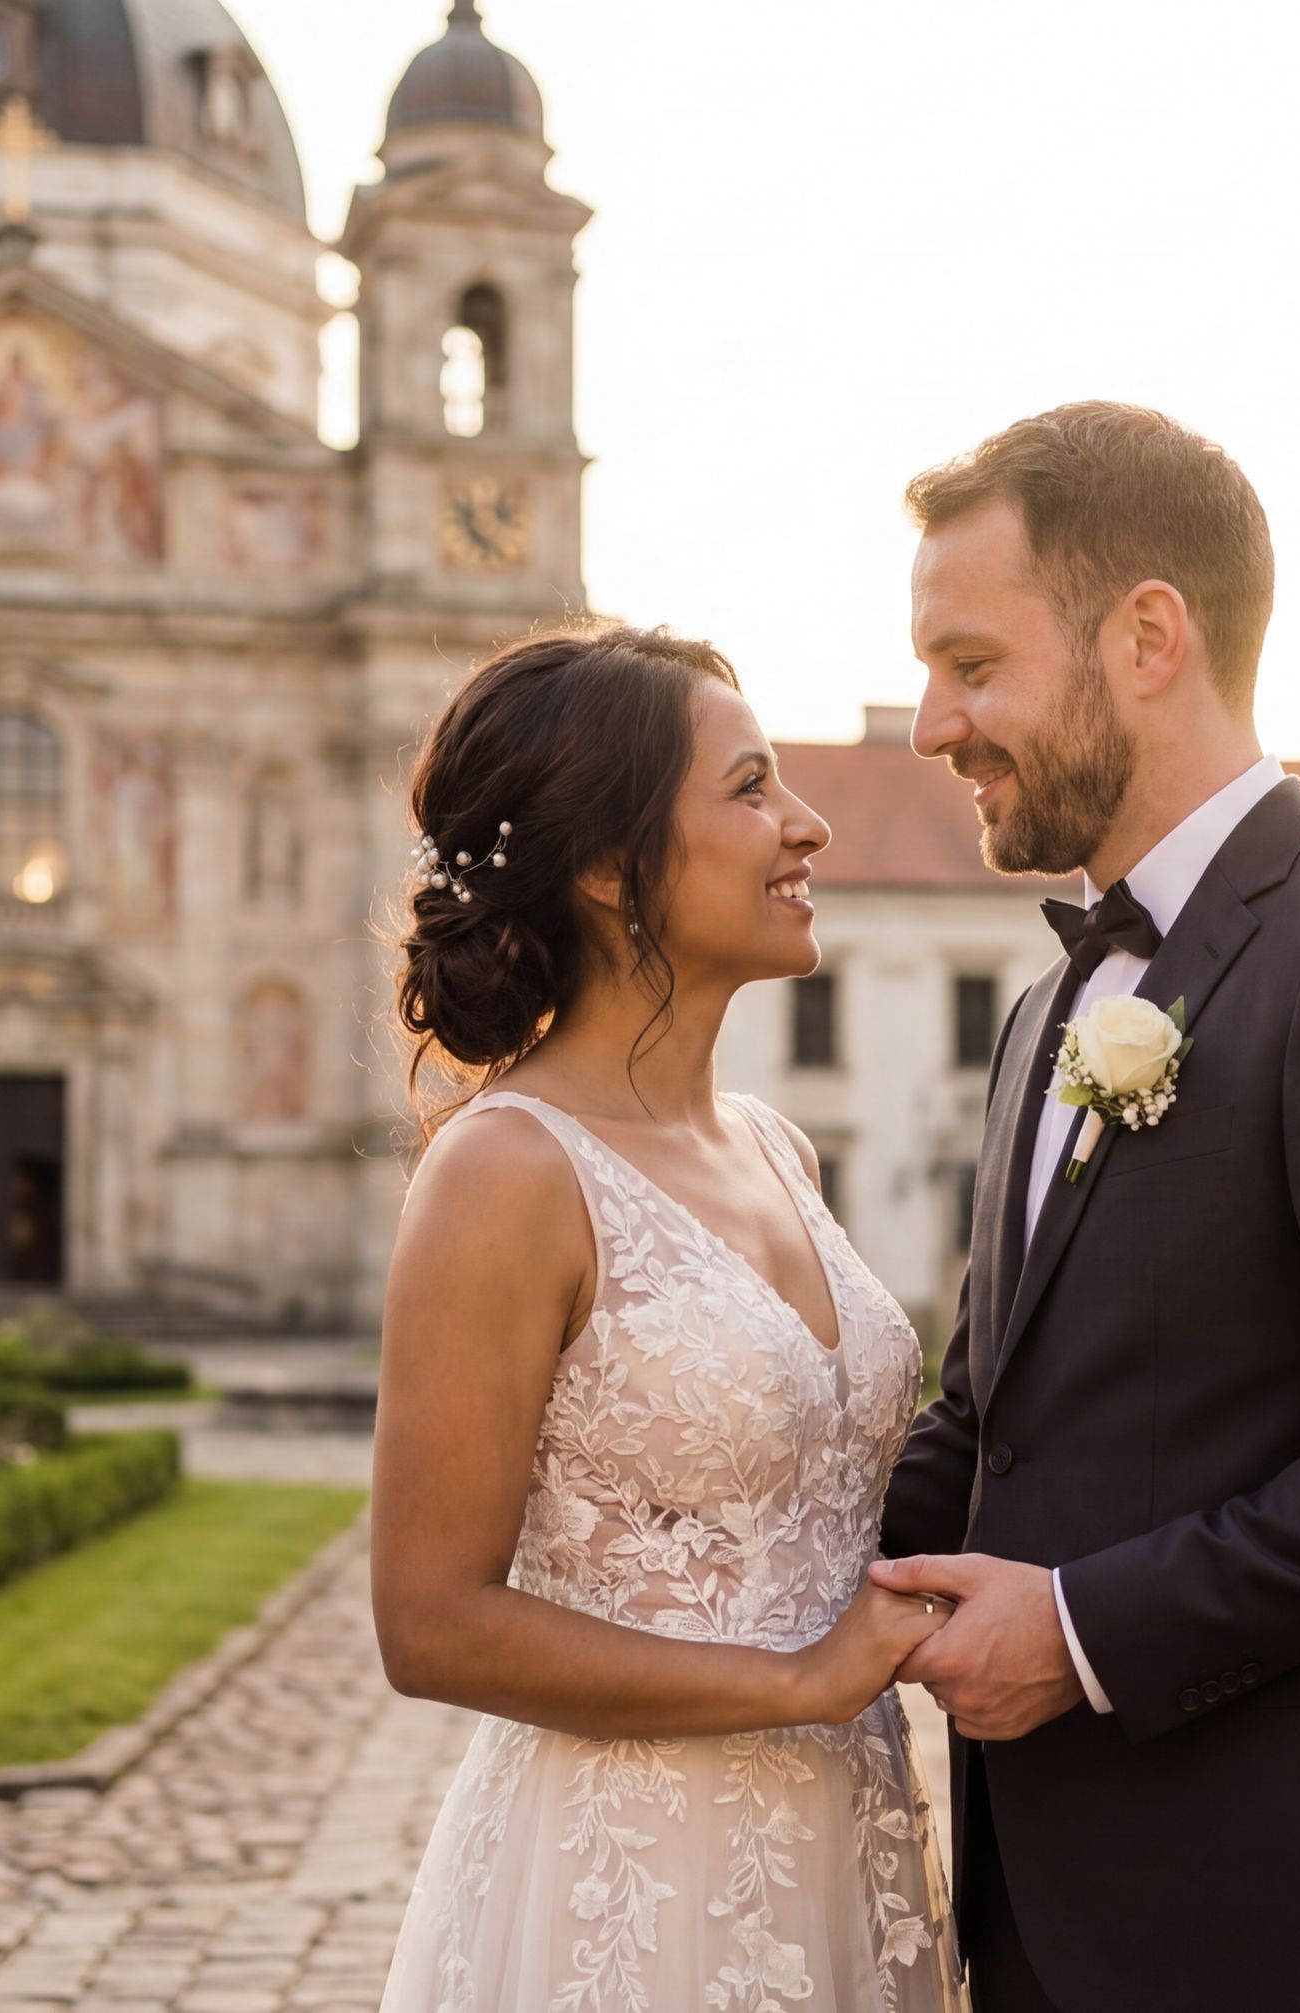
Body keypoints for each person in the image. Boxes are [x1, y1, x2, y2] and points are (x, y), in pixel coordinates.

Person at [866, 401, 1300, 2011]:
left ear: (1148, 637)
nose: (930, 724)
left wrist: (1088, 1633)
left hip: (1279, 1912)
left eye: (971, 664)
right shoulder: (1048, 1013)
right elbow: (993, 1419)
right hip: (1040, 1905)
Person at [373, 623, 964, 2013]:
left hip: (849, 1846)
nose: (806, 824)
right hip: (630, 1888)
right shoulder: (506, 1170)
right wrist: (802, 1674)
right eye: (752, 788)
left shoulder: (776, 1147)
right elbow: (430, 1620)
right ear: (606, 863)